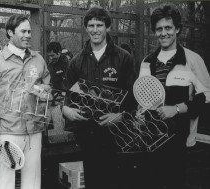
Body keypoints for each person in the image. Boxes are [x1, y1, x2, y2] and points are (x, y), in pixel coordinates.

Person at [62, 6, 137, 189]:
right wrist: (67, 110)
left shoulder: (123, 58)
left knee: (118, 181)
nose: (95, 30)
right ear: (86, 28)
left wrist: (120, 116)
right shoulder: (76, 61)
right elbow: (67, 97)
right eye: (91, 25)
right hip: (88, 134)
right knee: (94, 180)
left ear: (108, 27)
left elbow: (133, 97)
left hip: (117, 135)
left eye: (99, 25)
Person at [139, 3, 210, 189]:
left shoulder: (193, 60)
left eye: (168, 28)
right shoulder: (146, 63)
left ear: (177, 29)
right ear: (154, 31)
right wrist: (139, 111)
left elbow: (207, 98)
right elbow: (143, 99)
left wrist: (177, 109)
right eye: (159, 29)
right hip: (150, 140)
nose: (164, 33)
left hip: (179, 143)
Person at [0, 14, 50, 189]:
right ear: (10, 32)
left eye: (29, 31)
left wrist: (44, 95)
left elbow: (47, 88)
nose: (28, 35)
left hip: (34, 128)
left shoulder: (38, 59)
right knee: (6, 180)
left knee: (33, 180)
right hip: (8, 129)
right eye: (23, 31)